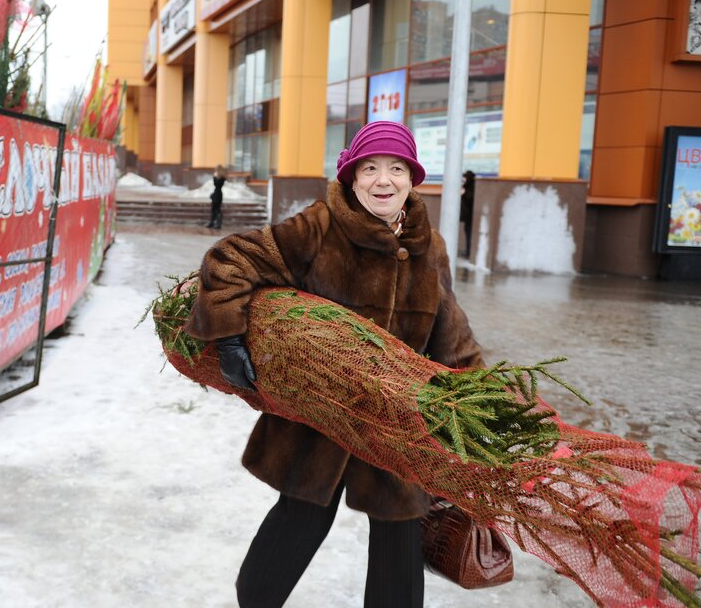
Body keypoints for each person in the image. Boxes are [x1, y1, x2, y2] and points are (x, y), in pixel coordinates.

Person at [185, 121, 484, 607]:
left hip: (396, 421)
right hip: (319, 419)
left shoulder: (430, 248)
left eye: (396, 168)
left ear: (412, 179)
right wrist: (228, 335)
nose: (382, 180)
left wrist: (483, 407)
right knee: (265, 579)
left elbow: (452, 337)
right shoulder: (318, 229)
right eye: (370, 168)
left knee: (398, 574)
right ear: (352, 175)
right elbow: (230, 258)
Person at [460, 170, 476, 258]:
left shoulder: (471, 187)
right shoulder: (468, 187)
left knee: (469, 233)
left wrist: (463, 194)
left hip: (470, 216)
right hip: (468, 216)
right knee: (467, 232)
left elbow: (469, 199)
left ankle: (468, 252)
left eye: (466, 177)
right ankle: (467, 251)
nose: (464, 179)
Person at [207, 165, 226, 229]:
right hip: (216, 194)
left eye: (216, 170)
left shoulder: (222, 178)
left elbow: (217, 184)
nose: (215, 171)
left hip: (218, 194)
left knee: (217, 209)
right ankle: (212, 222)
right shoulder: (219, 177)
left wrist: (215, 177)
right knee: (213, 209)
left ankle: (218, 223)